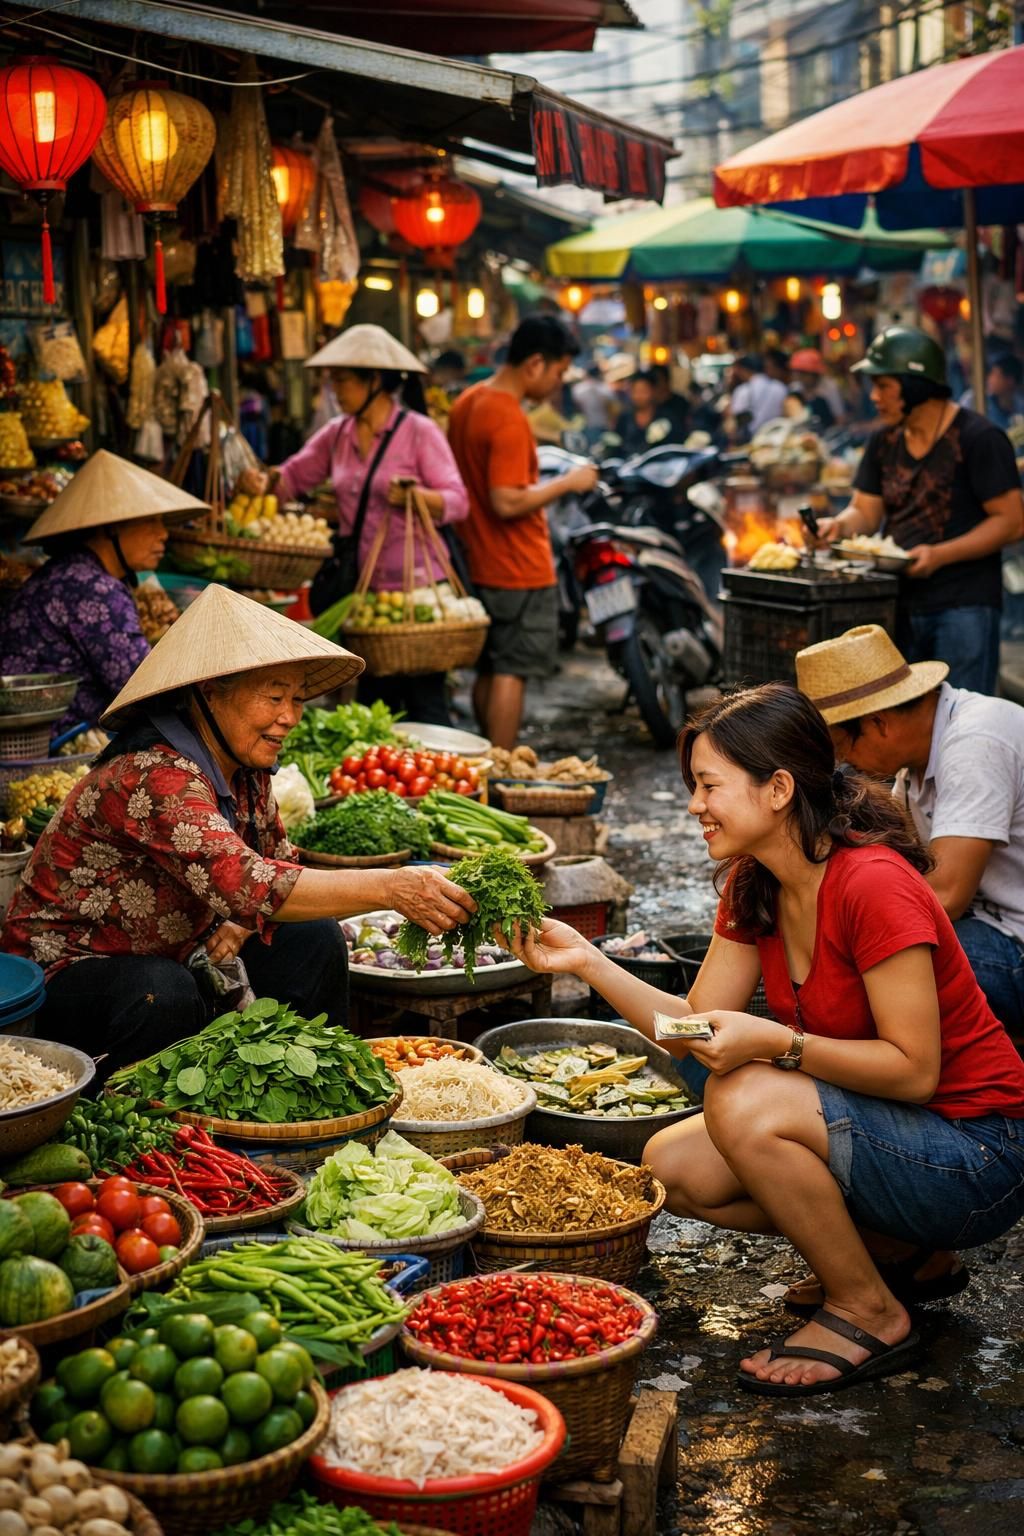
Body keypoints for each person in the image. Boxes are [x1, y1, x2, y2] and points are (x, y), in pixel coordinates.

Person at [500, 683, 1024, 1397]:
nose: (693, 805)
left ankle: (866, 1307)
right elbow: (689, 1031)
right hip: (898, 1135)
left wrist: (777, 1042)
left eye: (708, 785)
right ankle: (898, 1253)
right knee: (672, 1164)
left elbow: (914, 1072)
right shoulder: (757, 882)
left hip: (977, 1156)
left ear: (778, 788)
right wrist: (587, 961)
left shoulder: (872, 883)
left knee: (747, 1099)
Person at [1, 585, 474, 1077]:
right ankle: (145, 1124)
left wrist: (243, 919)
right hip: (70, 977)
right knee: (162, 991)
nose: (289, 717)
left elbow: (277, 866)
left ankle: (312, 1085)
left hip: (181, 951)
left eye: (296, 698)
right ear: (210, 694)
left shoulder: (246, 768)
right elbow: (248, 883)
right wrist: (392, 887)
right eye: (273, 696)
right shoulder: (152, 774)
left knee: (313, 937)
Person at [796, 624, 1024, 1037]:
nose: (847, 763)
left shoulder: (977, 740)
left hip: (1015, 939)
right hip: (992, 923)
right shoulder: (914, 770)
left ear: (879, 723)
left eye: (843, 748)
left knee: (882, 964)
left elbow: (945, 895)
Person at [238, 324, 468, 727]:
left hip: (417, 595)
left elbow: (457, 501)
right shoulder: (337, 434)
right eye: (332, 380)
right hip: (362, 594)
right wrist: (263, 481)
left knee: (426, 705)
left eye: (342, 380)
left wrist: (417, 496)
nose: (335, 390)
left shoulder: (419, 432)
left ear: (375, 381)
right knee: (375, 706)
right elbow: (292, 478)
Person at [814, 326, 1024, 694]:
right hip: (899, 603)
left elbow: (1012, 523)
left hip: (965, 604)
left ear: (915, 386)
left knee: (961, 719)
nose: (874, 397)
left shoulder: (979, 438)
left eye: (884, 386)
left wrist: (940, 555)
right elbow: (865, 511)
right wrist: (837, 526)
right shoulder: (884, 440)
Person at [448, 313, 598, 749]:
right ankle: (502, 767)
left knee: (491, 668)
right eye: (558, 371)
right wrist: (568, 483)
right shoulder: (508, 417)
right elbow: (507, 501)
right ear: (534, 364)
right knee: (511, 671)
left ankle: (485, 761)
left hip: (477, 559)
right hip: (516, 565)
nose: (558, 382)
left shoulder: (468, 401)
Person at [0, 452, 207, 740]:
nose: (163, 534)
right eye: (151, 522)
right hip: (56, 740)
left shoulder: (73, 571)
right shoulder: (94, 589)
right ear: (111, 529)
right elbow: (145, 690)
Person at [728, 354, 789, 440]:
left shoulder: (743, 390)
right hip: (777, 439)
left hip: (750, 443)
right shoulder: (781, 387)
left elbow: (733, 425)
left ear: (744, 370)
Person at [958, 353, 1024, 429]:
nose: (990, 379)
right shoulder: (973, 399)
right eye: (991, 374)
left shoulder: (1020, 407)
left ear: (1010, 381)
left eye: (997, 375)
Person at [786, 348, 843, 431]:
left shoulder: (829, 388)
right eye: (798, 373)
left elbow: (840, 418)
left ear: (815, 374)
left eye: (804, 373)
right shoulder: (795, 388)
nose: (800, 377)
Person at [571, 362, 619, 442]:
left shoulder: (578, 389)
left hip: (588, 425)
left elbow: (577, 407)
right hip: (602, 425)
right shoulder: (606, 389)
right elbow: (613, 410)